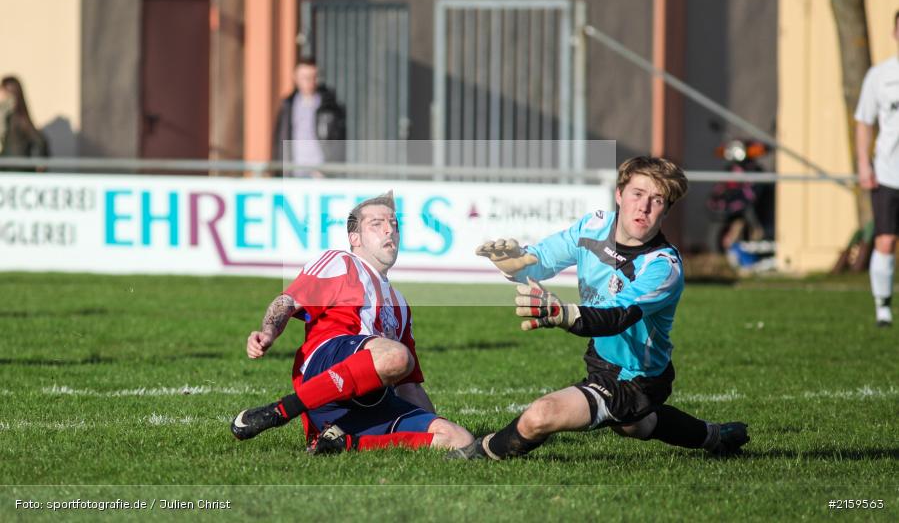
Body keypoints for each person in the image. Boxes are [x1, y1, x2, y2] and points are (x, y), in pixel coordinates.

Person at [450, 156, 749, 460]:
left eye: (657, 200)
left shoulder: (662, 266)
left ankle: (482, 452)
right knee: (634, 426)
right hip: (603, 358)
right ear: (619, 194)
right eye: (637, 194)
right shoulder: (594, 225)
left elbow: (616, 317)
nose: (644, 207)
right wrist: (517, 263)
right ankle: (716, 437)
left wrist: (561, 313)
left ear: (666, 209)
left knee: (541, 415)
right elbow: (541, 259)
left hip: (638, 377)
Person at [231, 192, 473, 454]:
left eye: (394, 224)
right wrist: (268, 332)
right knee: (396, 356)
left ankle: (342, 443)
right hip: (325, 368)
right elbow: (288, 301)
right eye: (377, 224)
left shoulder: (400, 304)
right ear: (354, 238)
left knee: (460, 439)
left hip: (370, 400)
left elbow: (408, 386)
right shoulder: (340, 262)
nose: (389, 230)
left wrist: (431, 422)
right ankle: (281, 410)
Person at [855, 10, 899, 328]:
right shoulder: (880, 76)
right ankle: (882, 307)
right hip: (888, 172)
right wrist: (863, 163)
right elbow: (864, 122)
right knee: (886, 240)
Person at [272, 56, 346, 177]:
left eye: (312, 77)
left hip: (319, 171)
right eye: (304, 77)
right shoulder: (288, 105)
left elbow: (337, 140)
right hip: (294, 170)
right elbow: (280, 138)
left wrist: (329, 168)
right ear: (295, 77)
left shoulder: (329, 105)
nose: (308, 81)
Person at [0, 76, 49, 159]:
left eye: (2, 89)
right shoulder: (5, 114)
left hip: (15, 168)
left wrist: (40, 164)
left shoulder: (16, 117)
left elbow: (40, 141)